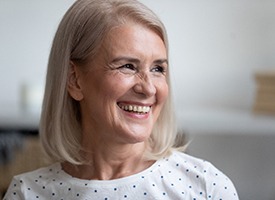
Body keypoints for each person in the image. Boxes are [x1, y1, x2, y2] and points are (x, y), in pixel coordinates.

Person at [4, 0, 239, 199]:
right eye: (128, 66)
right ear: (74, 80)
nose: (148, 88)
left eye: (158, 69)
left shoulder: (206, 188)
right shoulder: (27, 193)